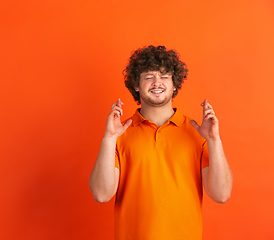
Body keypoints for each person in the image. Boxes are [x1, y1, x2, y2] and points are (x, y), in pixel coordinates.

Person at [89, 45, 233, 240]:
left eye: (164, 76)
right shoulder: (119, 134)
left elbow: (221, 195)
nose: (157, 82)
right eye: (148, 76)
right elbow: (101, 195)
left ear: (175, 85)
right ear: (136, 85)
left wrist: (214, 140)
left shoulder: (198, 133)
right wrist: (108, 139)